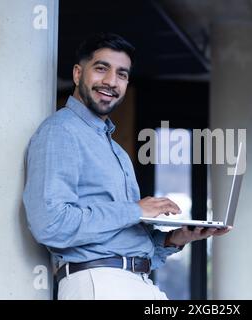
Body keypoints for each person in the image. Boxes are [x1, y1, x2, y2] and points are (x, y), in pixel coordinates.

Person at [23, 32, 230, 300]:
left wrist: (174, 239)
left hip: (133, 281)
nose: (111, 81)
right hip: (99, 281)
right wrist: (134, 209)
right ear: (77, 74)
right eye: (101, 69)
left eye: (121, 74)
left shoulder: (114, 149)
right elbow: (50, 224)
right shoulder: (60, 132)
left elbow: (121, 239)